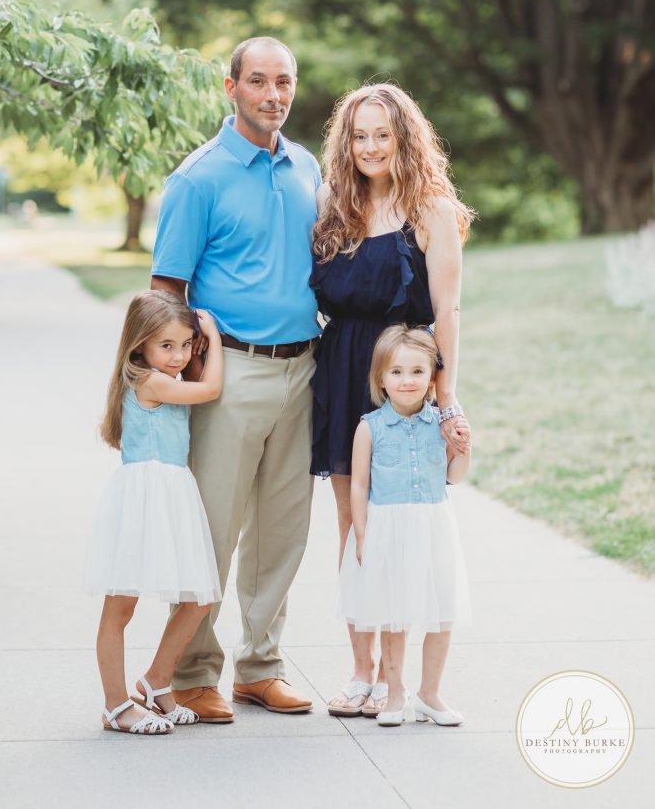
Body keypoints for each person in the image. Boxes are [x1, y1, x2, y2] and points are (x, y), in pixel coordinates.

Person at [150, 37, 321, 721]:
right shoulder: (198, 178)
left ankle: (260, 667)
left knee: (281, 531)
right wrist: (179, 380)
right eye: (258, 81)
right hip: (230, 371)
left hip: (302, 368)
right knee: (211, 529)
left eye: (284, 81)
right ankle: (193, 670)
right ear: (231, 88)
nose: (273, 94)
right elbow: (167, 287)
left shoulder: (308, 166)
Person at [310, 82, 473, 717]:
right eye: (359, 135)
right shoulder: (332, 204)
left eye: (383, 134)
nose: (371, 146)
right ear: (345, 143)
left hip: (405, 376)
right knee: (355, 527)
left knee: (406, 524)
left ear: (404, 138)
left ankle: (400, 679)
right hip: (342, 371)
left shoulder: (431, 209)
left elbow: (448, 310)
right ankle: (362, 673)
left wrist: (446, 396)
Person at [84, 290, 223, 735]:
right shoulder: (149, 380)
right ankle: (115, 704)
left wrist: (193, 352)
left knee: (201, 597)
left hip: (174, 494)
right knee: (121, 606)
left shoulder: (165, 374)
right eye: (167, 346)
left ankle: (156, 681)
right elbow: (211, 389)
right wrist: (213, 341)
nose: (179, 356)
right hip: (145, 499)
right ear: (140, 344)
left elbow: (193, 380)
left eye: (186, 345)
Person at [339, 325, 471, 726]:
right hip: (388, 529)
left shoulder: (440, 424)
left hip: (432, 525)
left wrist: (464, 446)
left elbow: (456, 475)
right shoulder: (370, 426)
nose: (407, 380)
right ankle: (395, 693)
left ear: (432, 377)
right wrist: (362, 535)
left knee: (441, 613)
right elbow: (359, 486)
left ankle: (430, 693)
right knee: (394, 616)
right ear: (381, 378)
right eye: (396, 372)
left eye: (417, 371)